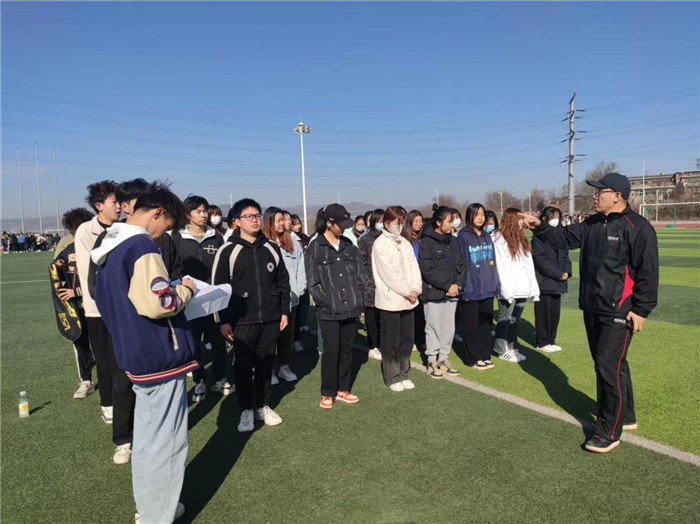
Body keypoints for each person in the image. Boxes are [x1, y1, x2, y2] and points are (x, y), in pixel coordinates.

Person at [520, 172, 658, 453]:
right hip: (592, 306)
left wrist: (641, 310)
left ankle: (608, 431)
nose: (594, 196)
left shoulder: (638, 227)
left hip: (619, 310)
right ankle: (626, 415)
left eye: (599, 192)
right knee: (612, 364)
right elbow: (562, 238)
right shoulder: (591, 224)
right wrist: (539, 227)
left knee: (607, 366)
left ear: (617, 196)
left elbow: (648, 271)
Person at [91, 181, 195, 523]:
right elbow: (159, 303)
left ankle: (150, 508)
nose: (163, 235)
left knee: (149, 441)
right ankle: (157, 515)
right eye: (166, 227)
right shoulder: (141, 246)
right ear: (157, 213)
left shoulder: (109, 243)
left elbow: (107, 300)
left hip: (133, 351)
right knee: (167, 443)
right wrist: (186, 290)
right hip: (158, 354)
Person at [212, 199, 290, 431]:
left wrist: (284, 311)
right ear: (236, 221)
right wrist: (222, 320)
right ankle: (246, 408)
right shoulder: (228, 250)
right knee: (243, 366)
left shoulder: (271, 248)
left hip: (270, 318)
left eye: (257, 215)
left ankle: (262, 405)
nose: (255, 220)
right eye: (249, 216)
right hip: (241, 320)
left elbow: (282, 283)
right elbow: (218, 289)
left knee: (265, 364)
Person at [75, 180, 136, 464]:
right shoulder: (86, 232)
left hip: (123, 307)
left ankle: (121, 407)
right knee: (104, 358)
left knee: (120, 360)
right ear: (99, 206)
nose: (119, 207)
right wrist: (105, 303)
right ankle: (107, 403)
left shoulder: (122, 229)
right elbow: (89, 274)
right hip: (98, 309)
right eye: (114, 202)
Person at [172, 195, 230, 401]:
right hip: (189, 301)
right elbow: (173, 268)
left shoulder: (216, 237)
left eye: (205, 210)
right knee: (194, 343)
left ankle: (220, 378)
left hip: (213, 300)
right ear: (188, 214)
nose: (203, 215)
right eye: (198, 211)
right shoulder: (177, 238)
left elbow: (223, 266)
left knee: (218, 341)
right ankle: (200, 381)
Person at [305, 204, 364, 409]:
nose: (345, 228)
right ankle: (328, 392)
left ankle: (343, 389)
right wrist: (325, 301)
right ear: (329, 223)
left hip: (350, 308)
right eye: (341, 224)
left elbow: (359, 275)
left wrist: (359, 300)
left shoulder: (349, 245)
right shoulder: (316, 247)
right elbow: (313, 281)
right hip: (329, 310)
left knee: (347, 350)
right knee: (331, 351)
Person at [372, 206, 422, 391]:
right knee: (391, 341)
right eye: (396, 223)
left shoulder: (405, 243)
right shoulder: (380, 244)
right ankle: (392, 376)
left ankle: (404, 372)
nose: (399, 226)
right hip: (391, 299)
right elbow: (389, 273)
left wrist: (415, 288)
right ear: (387, 223)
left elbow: (414, 267)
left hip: (409, 299)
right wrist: (407, 290)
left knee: (407, 339)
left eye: (401, 223)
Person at [52, 207, 97, 399]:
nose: (74, 235)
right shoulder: (67, 247)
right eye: (72, 231)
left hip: (97, 304)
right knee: (79, 341)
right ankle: (86, 381)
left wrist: (77, 291)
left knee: (101, 344)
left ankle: (110, 378)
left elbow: (102, 279)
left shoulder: (99, 245)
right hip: (75, 307)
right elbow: (57, 273)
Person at [418, 206, 466, 379]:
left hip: (453, 293)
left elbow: (462, 265)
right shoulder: (426, 242)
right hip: (434, 293)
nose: (453, 224)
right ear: (439, 222)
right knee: (433, 327)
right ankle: (432, 360)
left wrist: (458, 285)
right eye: (449, 221)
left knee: (448, 327)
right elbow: (428, 270)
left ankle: (444, 357)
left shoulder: (453, 241)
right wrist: (447, 286)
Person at [262, 206, 307, 382]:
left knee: (286, 337)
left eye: (284, 220)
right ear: (269, 222)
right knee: (270, 337)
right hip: (271, 301)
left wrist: (300, 289)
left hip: (291, 298)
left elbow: (301, 267)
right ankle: (270, 370)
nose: (283, 223)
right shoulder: (263, 244)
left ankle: (284, 366)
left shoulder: (292, 241)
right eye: (279, 220)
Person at [492, 208, 540, 363]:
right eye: (520, 219)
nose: (523, 221)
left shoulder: (521, 239)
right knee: (504, 318)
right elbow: (501, 268)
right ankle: (500, 349)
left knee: (514, 319)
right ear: (512, 220)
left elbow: (528, 265)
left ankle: (512, 346)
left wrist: (533, 287)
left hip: (522, 288)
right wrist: (507, 290)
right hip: (509, 289)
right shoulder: (499, 241)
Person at [456, 203, 500, 371]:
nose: (481, 218)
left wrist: (495, 284)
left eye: (483, 214)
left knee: (486, 325)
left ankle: (484, 355)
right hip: (472, 289)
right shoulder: (463, 236)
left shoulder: (487, 236)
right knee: (471, 326)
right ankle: (472, 358)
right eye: (477, 214)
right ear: (470, 216)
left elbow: (492, 262)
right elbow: (462, 264)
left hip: (487, 288)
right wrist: (465, 288)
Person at [532, 207, 572, 353]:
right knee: (543, 313)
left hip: (558, 281)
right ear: (544, 218)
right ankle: (542, 341)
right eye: (553, 216)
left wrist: (567, 271)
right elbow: (540, 261)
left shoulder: (560, 235)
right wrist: (558, 274)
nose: (556, 219)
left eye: (558, 216)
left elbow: (566, 255)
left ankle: (551, 340)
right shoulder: (538, 238)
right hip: (545, 280)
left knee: (555, 313)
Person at [358, 208, 385, 361]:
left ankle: (383, 343)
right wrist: (368, 283)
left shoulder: (388, 238)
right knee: (372, 318)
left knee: (384, 318)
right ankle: (373, 345)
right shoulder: (365, 240)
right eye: (379, 221)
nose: (382, 224)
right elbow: (362, 264)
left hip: (387, 285)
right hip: (371, 285)